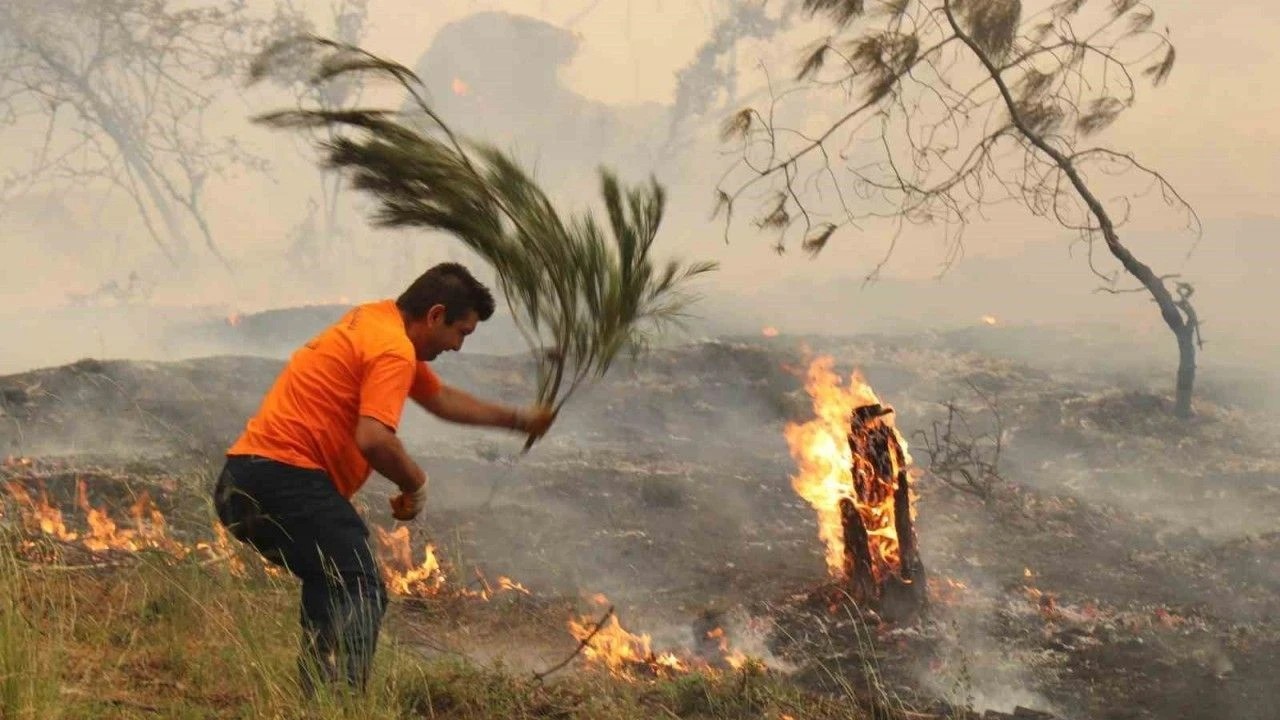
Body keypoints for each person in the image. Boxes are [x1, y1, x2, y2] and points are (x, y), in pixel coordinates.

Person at [213, 262, 554, 692]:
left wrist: (518, 420)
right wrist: (416, 484)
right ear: (435, 315)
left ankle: (320, 696)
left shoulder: (374, 319)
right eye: (460, 333)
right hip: (285, 478)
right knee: (357, 583)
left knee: (333, 576)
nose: (458, 347)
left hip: (240, 481)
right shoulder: (393, 348)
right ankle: (339, 702)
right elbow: (373, 438)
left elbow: (440, 398)